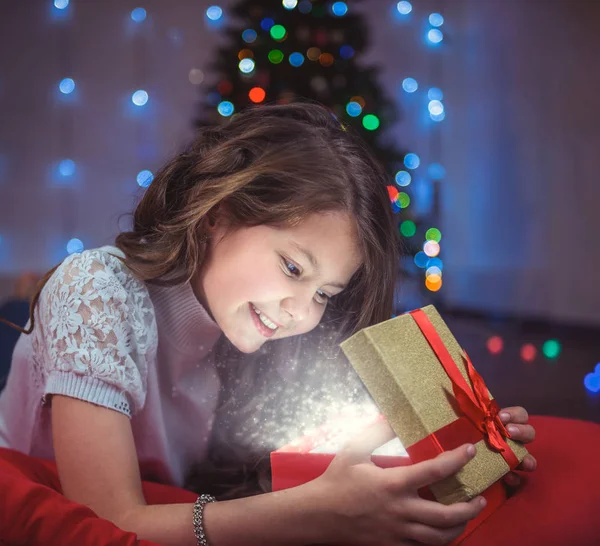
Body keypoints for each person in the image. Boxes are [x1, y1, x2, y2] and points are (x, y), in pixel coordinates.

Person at [0, 102, 536, 546]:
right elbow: (107, 526)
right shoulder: (94, 289)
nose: (300, 312)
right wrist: (315, 513)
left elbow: (333, 453)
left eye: (325, 293)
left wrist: (469, 445)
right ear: (219, 212)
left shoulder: (259, 334)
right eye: (293, 267)